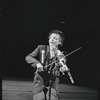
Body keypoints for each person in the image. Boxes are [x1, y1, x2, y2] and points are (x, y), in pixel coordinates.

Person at [25, 30, 69, 100]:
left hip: (53, 82)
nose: (52, 39)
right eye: (51, 37)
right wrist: (37, 64)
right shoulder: (41, 48)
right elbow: (28, 57)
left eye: (55, 38)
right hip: (40, 80)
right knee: (39, 98)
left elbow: (60, 70)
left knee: (53, 98)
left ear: (60, 42)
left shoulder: (61, 55)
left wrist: (62, 70)